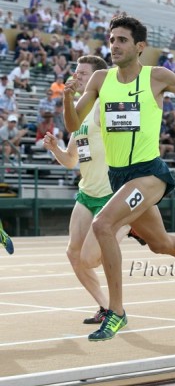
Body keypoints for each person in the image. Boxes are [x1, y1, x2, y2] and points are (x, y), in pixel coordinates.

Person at [63, 15, 175, 342]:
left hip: (150, 174)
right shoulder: (100, 80)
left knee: (102, 225)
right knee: (161, 245)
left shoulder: (156, 76)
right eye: (111, 39)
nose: (114, 45)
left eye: (122, 40)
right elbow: (74, 127)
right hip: (121, 178)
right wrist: (66, 97)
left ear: (140, 46)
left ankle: (115, 312)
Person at [44, 54, 144, 324]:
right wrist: (55, 149)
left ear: (98, 79)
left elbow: (133, 127)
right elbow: (71, 160)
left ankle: (127, 225)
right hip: (86, 194)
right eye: (76, 72)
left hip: (110, 196)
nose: (77, 77)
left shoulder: (105, 105)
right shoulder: (79, 115)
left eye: (83, 74)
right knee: (74, 255)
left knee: (90, 258)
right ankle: (107, 307)